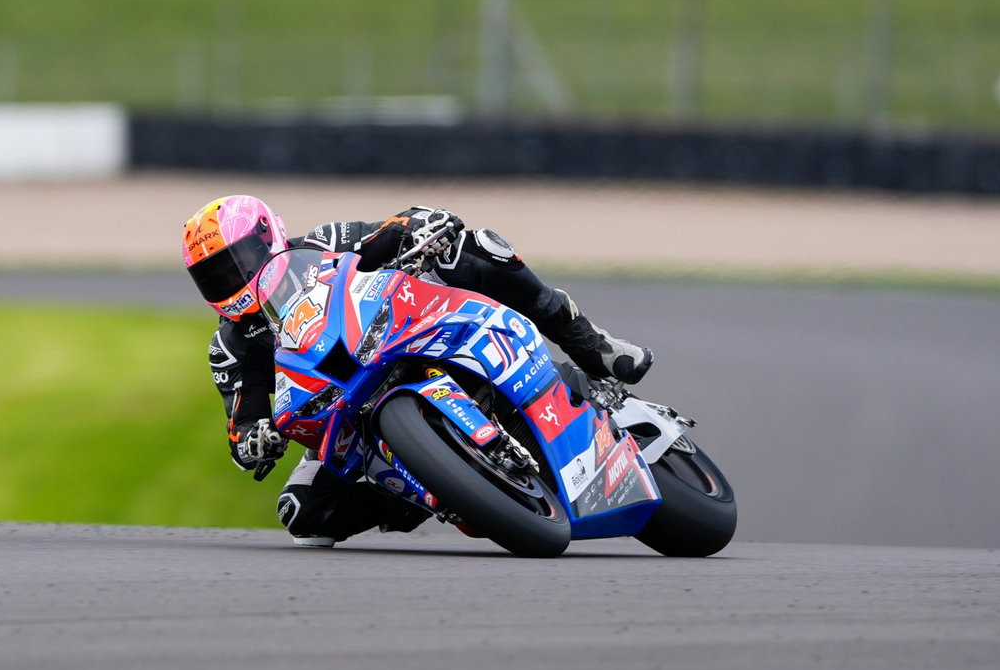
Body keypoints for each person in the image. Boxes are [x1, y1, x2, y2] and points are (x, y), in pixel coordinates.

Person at [181, 194, 652, 547]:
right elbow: (241, 425)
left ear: (269, 236)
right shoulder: (230, 347)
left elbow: (390, 230)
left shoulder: (323, 245)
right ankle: (437, 487)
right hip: (342, 408)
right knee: (301, 513)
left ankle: (591, 344)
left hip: (403, 332)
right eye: (216, 276)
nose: (233, 279)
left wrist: (422, 225)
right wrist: (255, 440)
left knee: (472, 248)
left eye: (239, 261)